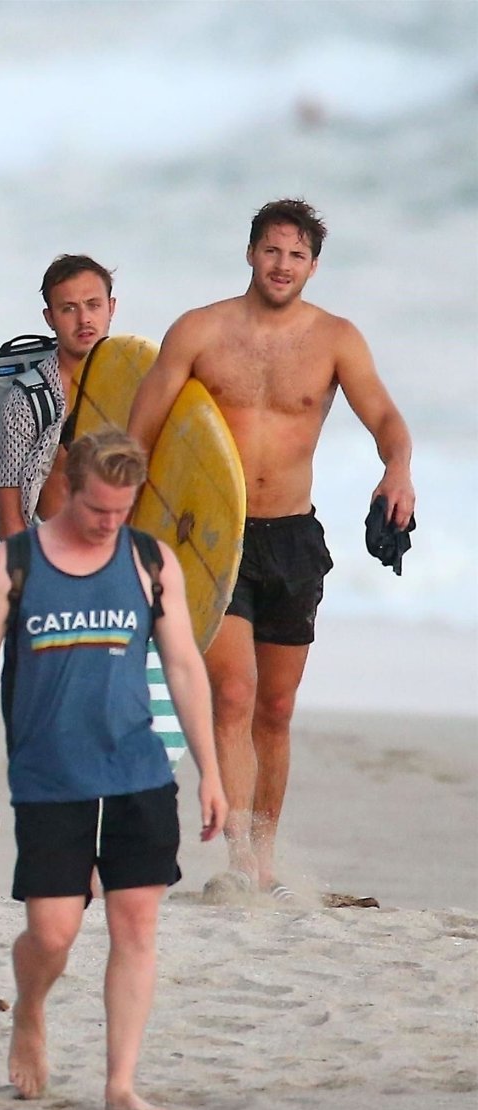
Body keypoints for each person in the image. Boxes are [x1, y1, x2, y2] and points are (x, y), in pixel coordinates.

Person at [125, 198, 416, 899]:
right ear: (251, 253)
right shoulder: (199, 330)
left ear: (313, 266)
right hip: (212, 539)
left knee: (276, 711)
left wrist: (398, 469)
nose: (282, 265)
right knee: (233, 694)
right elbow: (141, 431)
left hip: (292, 538)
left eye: (297, 255)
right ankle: (238, 861)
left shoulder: (336, 339)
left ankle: (265, 855)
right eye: (272, 250)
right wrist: (124, 525)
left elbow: (384, 415)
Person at [0, 431, 226, 1110]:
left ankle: (120, 1082)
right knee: (53, 933)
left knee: (136, 926)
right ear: (68, 488)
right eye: (98, 508)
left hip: (138, 771)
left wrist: (210, 771)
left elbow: (184, 666)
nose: (108, 522)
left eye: (122, 510)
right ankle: (30, 1009)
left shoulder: (150, 560)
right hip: (50, 777)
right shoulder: (13, 563)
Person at [0, 254, 118, 537]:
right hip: (54, 547)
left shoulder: (139, 382)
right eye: (68, 309)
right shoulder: (27, 400)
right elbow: (10, 519)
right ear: (50, 318)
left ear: (111, 308)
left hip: (123, 548)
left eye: (93, 305)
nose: (84, 319)